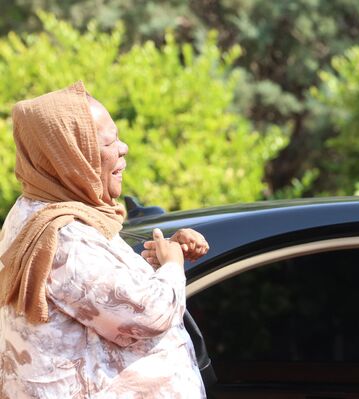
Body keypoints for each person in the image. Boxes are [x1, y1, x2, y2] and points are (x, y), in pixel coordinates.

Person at [0, 82, 210, 398]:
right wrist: (172, 265)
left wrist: (152, 260)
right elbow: (150, 315)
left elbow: (90, 295)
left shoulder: (38, 212)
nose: (123, 148)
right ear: (71, 157)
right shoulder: (63, 236)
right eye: (109, 143)